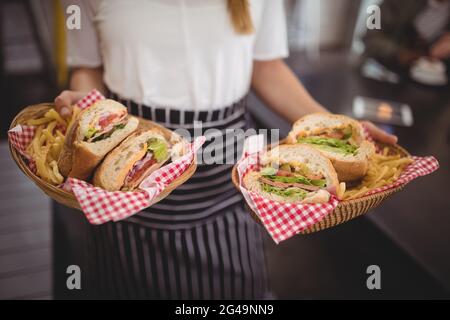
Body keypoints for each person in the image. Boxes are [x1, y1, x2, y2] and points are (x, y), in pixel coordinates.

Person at [54, 0, 397, 299]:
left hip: (226, 194)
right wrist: (87, 111)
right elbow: (88, 68)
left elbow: (266, 67)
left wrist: (337, 130)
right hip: (125, 200)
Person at [363, 0, 450, 75]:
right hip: (379, 71)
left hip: (430, 84)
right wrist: (400, 53)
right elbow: (370, 37)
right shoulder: (399, 3)